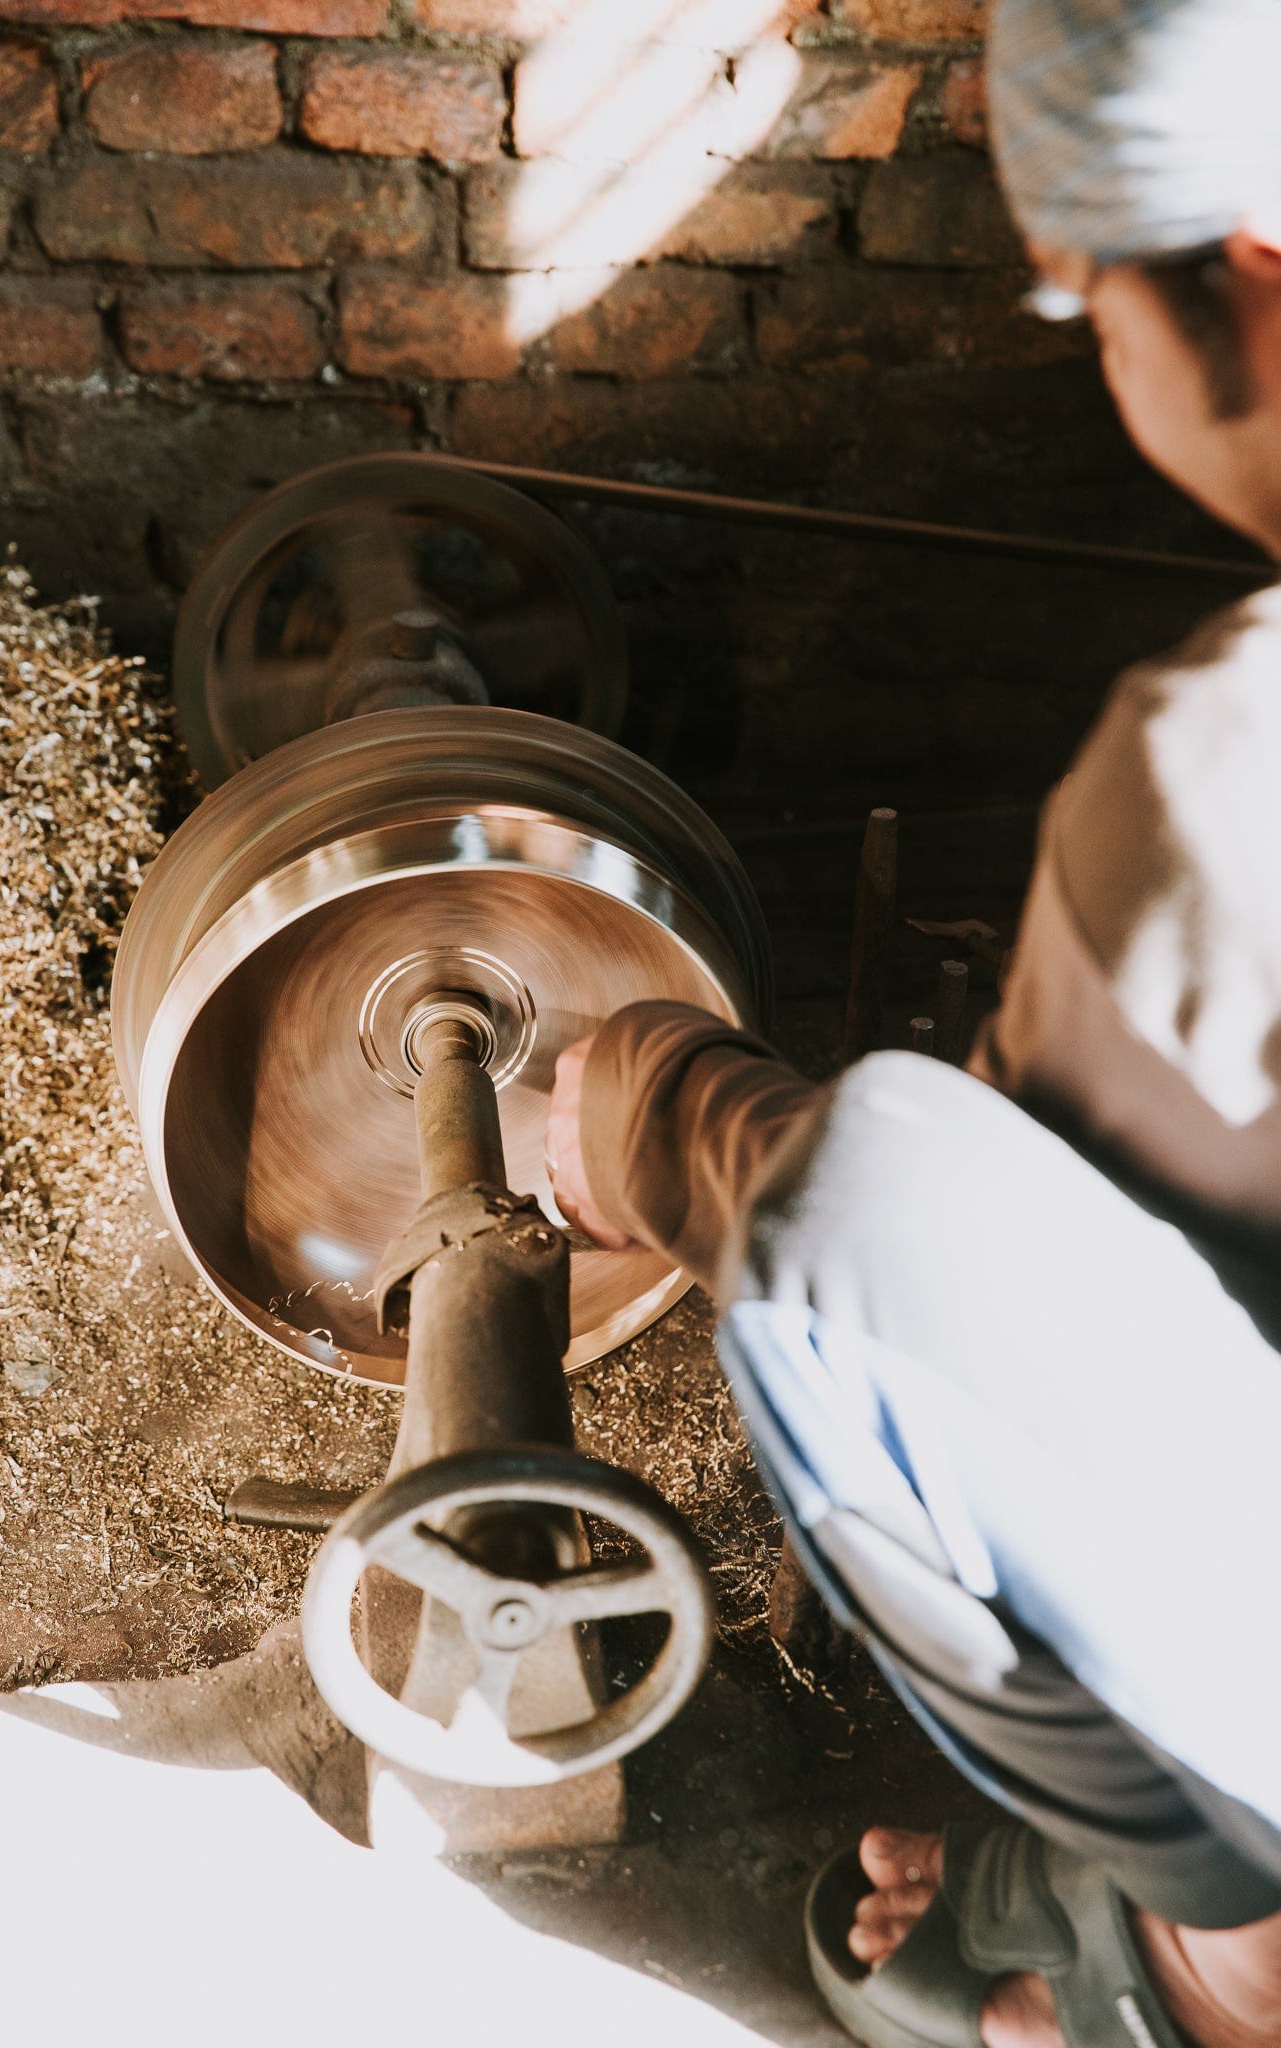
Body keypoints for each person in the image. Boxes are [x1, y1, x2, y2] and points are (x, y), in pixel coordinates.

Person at [544, 4, 1281, 2044]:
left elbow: (989, 1245)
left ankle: (1224, 1972)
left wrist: (652, 1111)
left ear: (1241, 254)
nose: (1094, 347)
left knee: (848, 1229)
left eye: (1077, 292)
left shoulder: (1229, 776)